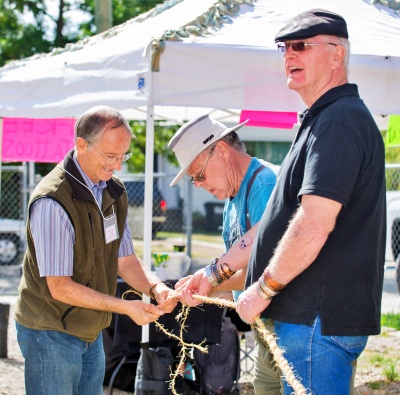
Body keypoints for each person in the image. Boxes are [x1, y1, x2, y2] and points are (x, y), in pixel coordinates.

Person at [234, 9, 386, 395]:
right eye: (284, 47)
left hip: (315, 321)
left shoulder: (338, 120)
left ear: (337, 55)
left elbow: (314, 223)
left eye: (302, 45)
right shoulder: (327, 117)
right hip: (312, 322)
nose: (289, 55)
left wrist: (262, 290)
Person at [14, 105, 177, 395]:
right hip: (50, 332)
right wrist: (126, 307)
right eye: (111, 156)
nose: (118, 166)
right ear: (81, 145)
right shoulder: (52, 200)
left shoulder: (112, 190)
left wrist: (155, 288)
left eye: (122, 156)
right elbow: (60, 288)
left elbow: (124, 259)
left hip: (90, 331)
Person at [169, 114, 282, 393]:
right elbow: (242, 272)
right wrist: (204, 283)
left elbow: (269, 269)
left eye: (199, 175)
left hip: (288, 327)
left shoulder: (264, 183)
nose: (197, 184)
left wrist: (210, 279)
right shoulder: (233, 197)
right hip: (267, 327)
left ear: (221, 150)